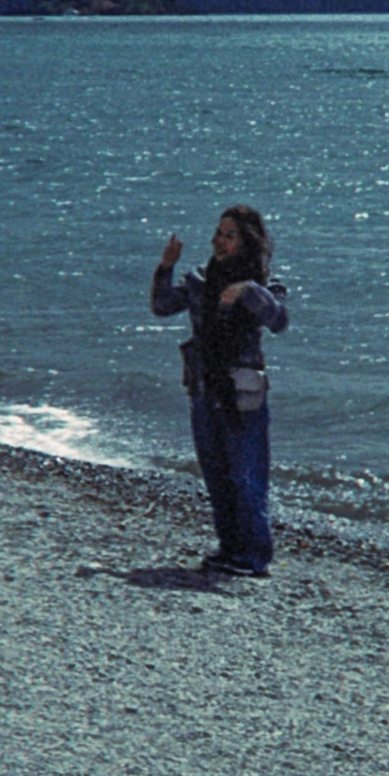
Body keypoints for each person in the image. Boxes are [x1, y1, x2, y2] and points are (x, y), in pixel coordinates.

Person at [147, 206, 291, 576]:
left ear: (247, 241)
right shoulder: (199, 279)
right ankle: (229, 549)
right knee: (216, 474)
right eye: (219, 234)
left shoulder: (265, 282)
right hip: (203, 388)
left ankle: (254, 557)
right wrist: (166, 267)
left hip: (242, 394)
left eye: (230, 235)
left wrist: (248, 291)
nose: (221, 241)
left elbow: (279, 320)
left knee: (247, 476)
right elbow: (162, 306)